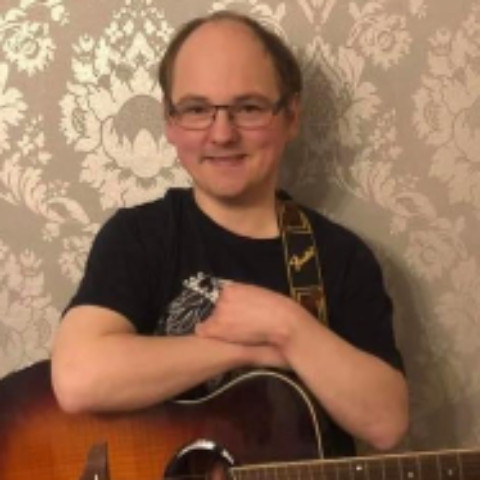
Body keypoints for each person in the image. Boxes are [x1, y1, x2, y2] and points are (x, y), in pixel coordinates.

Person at [51, 10, 408, 457]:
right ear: (170, 122)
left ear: (291, 116)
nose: (222, 134)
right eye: (197, 109)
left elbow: (386, 424)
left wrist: (288, 326)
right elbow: (78, 378)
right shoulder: (139, 237)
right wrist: (251, 351)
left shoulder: (340, 256)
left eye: (249, 108)